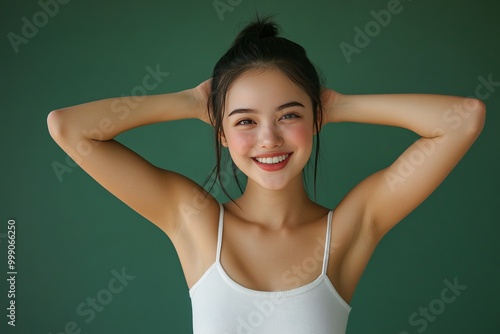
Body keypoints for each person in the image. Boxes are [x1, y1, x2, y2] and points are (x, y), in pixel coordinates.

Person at [47, 16, 485, 334]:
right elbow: (67, 127)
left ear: (315, 119)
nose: (269, 139)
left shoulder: (351, 228)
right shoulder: (194, 221)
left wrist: (334, 105)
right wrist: (188, 101)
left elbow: (464, 118)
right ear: (219, 131)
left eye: (288, 115)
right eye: (244, 121)